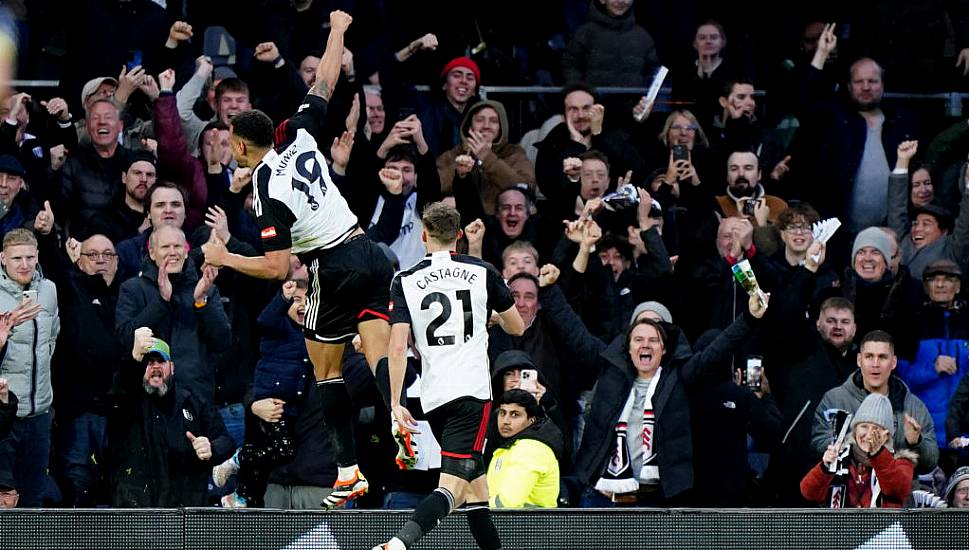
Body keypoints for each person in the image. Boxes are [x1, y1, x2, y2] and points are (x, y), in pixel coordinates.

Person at [201, 11, 400, 509]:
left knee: (325, 369)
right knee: (376, 361)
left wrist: (224, 256)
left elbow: (273, 267)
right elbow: (327, 80)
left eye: (232, 144)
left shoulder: (267, 187)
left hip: (333, 267)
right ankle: (403, 416)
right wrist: (337, 30)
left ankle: (349, 471)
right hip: (373, 254)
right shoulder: (299, 131)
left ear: (242, 144)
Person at [376, 202, 524, 550]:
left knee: (476, 490)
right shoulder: (483, 271)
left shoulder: (405, 280)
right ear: (459, 236)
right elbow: (516, 326)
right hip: (471, 393)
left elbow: (397, 348)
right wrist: (493, 318)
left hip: (434, 398)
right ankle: (398, 544)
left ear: (424, 235)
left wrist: (396, 403)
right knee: (452, 487)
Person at [109, 331, 234, 506]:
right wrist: (134, 357)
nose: (155, 367)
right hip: (138, 509)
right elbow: (120, 388)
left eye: (161, 361)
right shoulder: (130, 403)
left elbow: (226, 441)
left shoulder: (194, 401)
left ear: (172, 367)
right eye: (149, 362)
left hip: (186, 509)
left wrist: (211, 447)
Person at [811, 331, 938, 474]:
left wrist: (916, 443)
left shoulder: (913, 406)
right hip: (847, 490)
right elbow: (818, 445)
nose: (875, 364)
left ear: (893, 362)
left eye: (882, 357)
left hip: (895, 493)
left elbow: (931, 462)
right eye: (869, 356)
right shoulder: (834, 399)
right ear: (859, 360)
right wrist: (856, 445)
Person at [0, 228, 56, 507]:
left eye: (29, 257)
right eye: (16, 258)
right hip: (4, 418)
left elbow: (52, 335)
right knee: (5, 499)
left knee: (34, 497)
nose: (24, 264)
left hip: (40, 414)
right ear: (2, 259)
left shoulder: (49, 290)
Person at [800, 393, 917, 508]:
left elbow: (897, 491)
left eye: (876, 428)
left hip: (881, 527)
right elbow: (809, 493)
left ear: (886, 435)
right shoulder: (840, 457)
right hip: (840, 526)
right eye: (864, 426)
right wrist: (825, 468)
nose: (869, 434)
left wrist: (878, 454)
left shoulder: (901, 462)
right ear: (855, 430)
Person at [898, 260, 968, 452]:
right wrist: (932, 369)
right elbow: (901, 382)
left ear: (958, 286)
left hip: (964, 435)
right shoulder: (911, 323)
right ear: (926, 287)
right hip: (924, 434)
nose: (940, 284)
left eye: (948, 279)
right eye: (933, 279)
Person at [487, 389, 562, 508]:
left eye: (515, 414)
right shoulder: (512, 446)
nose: (506, 421)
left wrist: (477, 514)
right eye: (502, 413)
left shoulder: (531, 449)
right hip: (514, 523)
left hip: (528, 524)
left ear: (531, 420)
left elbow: (508, 503)